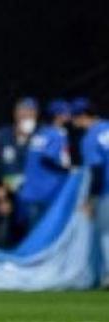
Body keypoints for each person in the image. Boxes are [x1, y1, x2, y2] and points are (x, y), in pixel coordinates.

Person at [16, 99, 71, 236]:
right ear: (59, 115)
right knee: (43, 235)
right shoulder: (57, 134)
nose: (69, 116)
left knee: (32, 234)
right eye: (66, 113)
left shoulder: (40, 133)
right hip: (48, 192)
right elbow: (47, 159)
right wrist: (69, 171)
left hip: (31, 192)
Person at [0, 97, 38, 243]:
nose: (25, 115)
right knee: (5, 236)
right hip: (7, 195)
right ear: (15, 113)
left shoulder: (41, 136)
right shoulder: (1, 135)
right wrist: (0, 194)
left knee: (31, 235)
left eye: (30, 112)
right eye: (22, 111)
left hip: (32, 198)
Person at [71, 98, 109, 287]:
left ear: (83, 116)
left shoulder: (91, 137)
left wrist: (91, 199)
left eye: (75, 117)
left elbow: (97, 171)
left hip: (107, 190)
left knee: (106, 233)